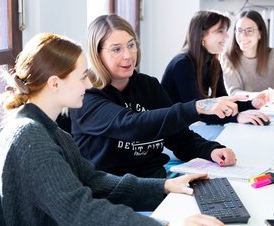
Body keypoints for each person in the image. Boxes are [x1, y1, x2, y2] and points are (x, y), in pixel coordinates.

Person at [0, 32, 233, 226]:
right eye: (82, 77)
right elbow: (80, 215)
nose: (89, 84)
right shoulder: (30, 138)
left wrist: (165, 187)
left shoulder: (50, 131)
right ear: (55, 83)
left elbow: (93, 180)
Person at [70, 14, 238, 179]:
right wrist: (198, 106)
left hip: (158, 178)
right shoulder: (86, 96)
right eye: (116, 49)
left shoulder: (148, 85)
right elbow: (132, 125)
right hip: (117, 189)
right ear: (97, 54)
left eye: (131, 45)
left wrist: (211, 150)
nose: (128, 55)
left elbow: (178, 136)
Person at [161, 10, 269, 126]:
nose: (227, 36)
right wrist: (237, 117)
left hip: (188, 128)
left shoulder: (213, 63)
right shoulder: (182, 64)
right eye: (220, 31)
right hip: (172, 132)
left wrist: (252, 103)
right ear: (202, 35)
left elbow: (222, 99)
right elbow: (197, 111)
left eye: (226, 31)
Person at [222, 10, 274, 103]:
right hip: (246, 111)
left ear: (260, 34)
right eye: (239, 30)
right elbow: (234, 92)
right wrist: (261, 96)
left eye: (249, 30)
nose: (243, 36)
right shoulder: (228, 57)